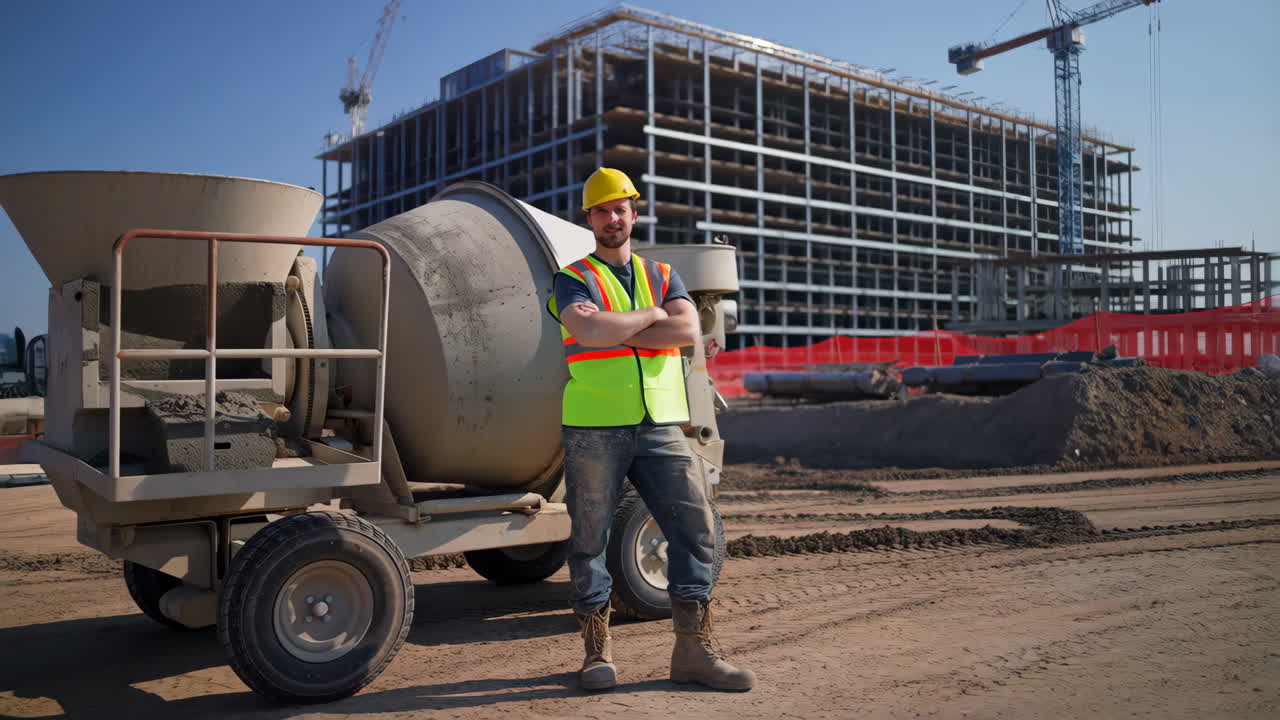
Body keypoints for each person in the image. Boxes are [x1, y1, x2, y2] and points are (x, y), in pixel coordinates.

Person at [548, 167, 754, 692]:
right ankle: (597, 655)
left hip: (662, 423)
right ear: (589, 218)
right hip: (595, 425)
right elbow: (589, 331)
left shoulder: (664, 273)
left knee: (696, 530)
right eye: (602, 210)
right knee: (590, 541)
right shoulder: (572, 277)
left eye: (620, 208)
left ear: (633, 214)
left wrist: (622, 325)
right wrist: (650, 318)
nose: (612, 218)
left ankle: (693, 651)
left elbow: (688, 328)